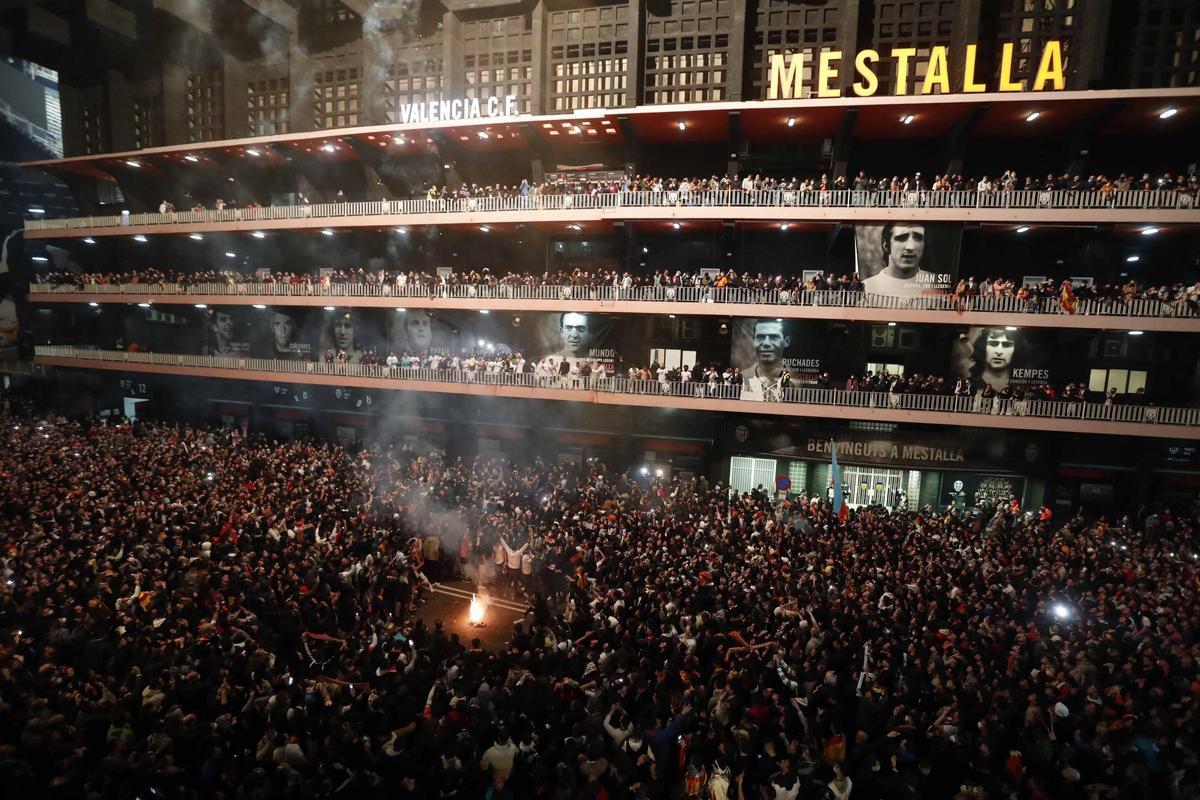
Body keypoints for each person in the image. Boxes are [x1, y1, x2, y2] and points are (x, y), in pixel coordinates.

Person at [861, 223, 936, 297]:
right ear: (886, 245)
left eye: (918, 238)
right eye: (901, 238)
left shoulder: (937, 283)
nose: (911, 247)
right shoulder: (866, 288)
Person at [740, 319, 792, 401]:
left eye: (774, 337)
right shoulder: (743, 377)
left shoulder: (795, 382)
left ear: (786, 341)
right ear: (754, 341)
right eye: (760, 337)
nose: (766, 343)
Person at [968, 327, 1019, 394]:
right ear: (983, 348)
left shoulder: (1018, 386)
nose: (999, 351)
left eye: (1007, 345)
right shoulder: (971, 382)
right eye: (993, 344)